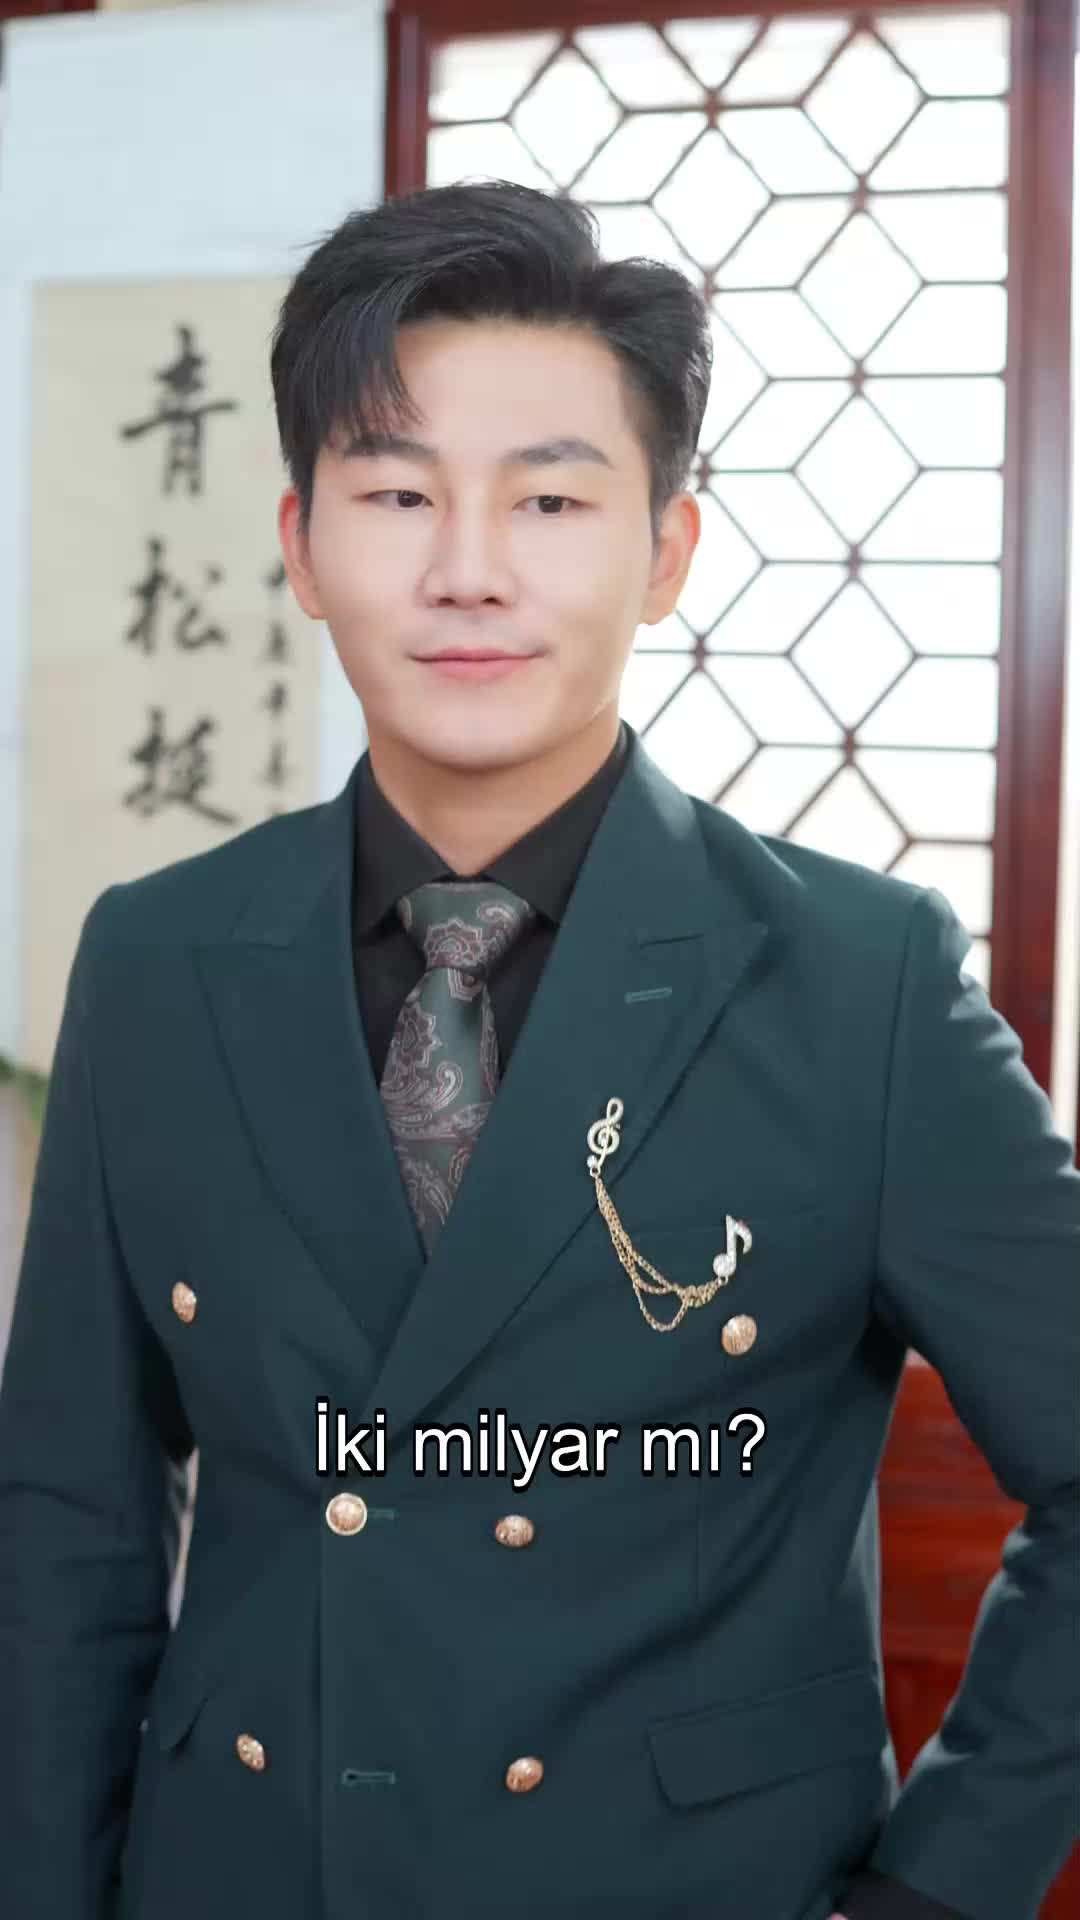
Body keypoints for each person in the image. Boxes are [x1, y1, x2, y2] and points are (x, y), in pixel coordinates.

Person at [0, 177, 1076, 1920]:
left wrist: (938, 1896)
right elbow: (68, 1525)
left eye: (552, 497)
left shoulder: (858, 981)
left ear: (668, 551)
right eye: (397, 493)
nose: (468, 568)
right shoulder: (159, 955)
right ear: (300, 545)